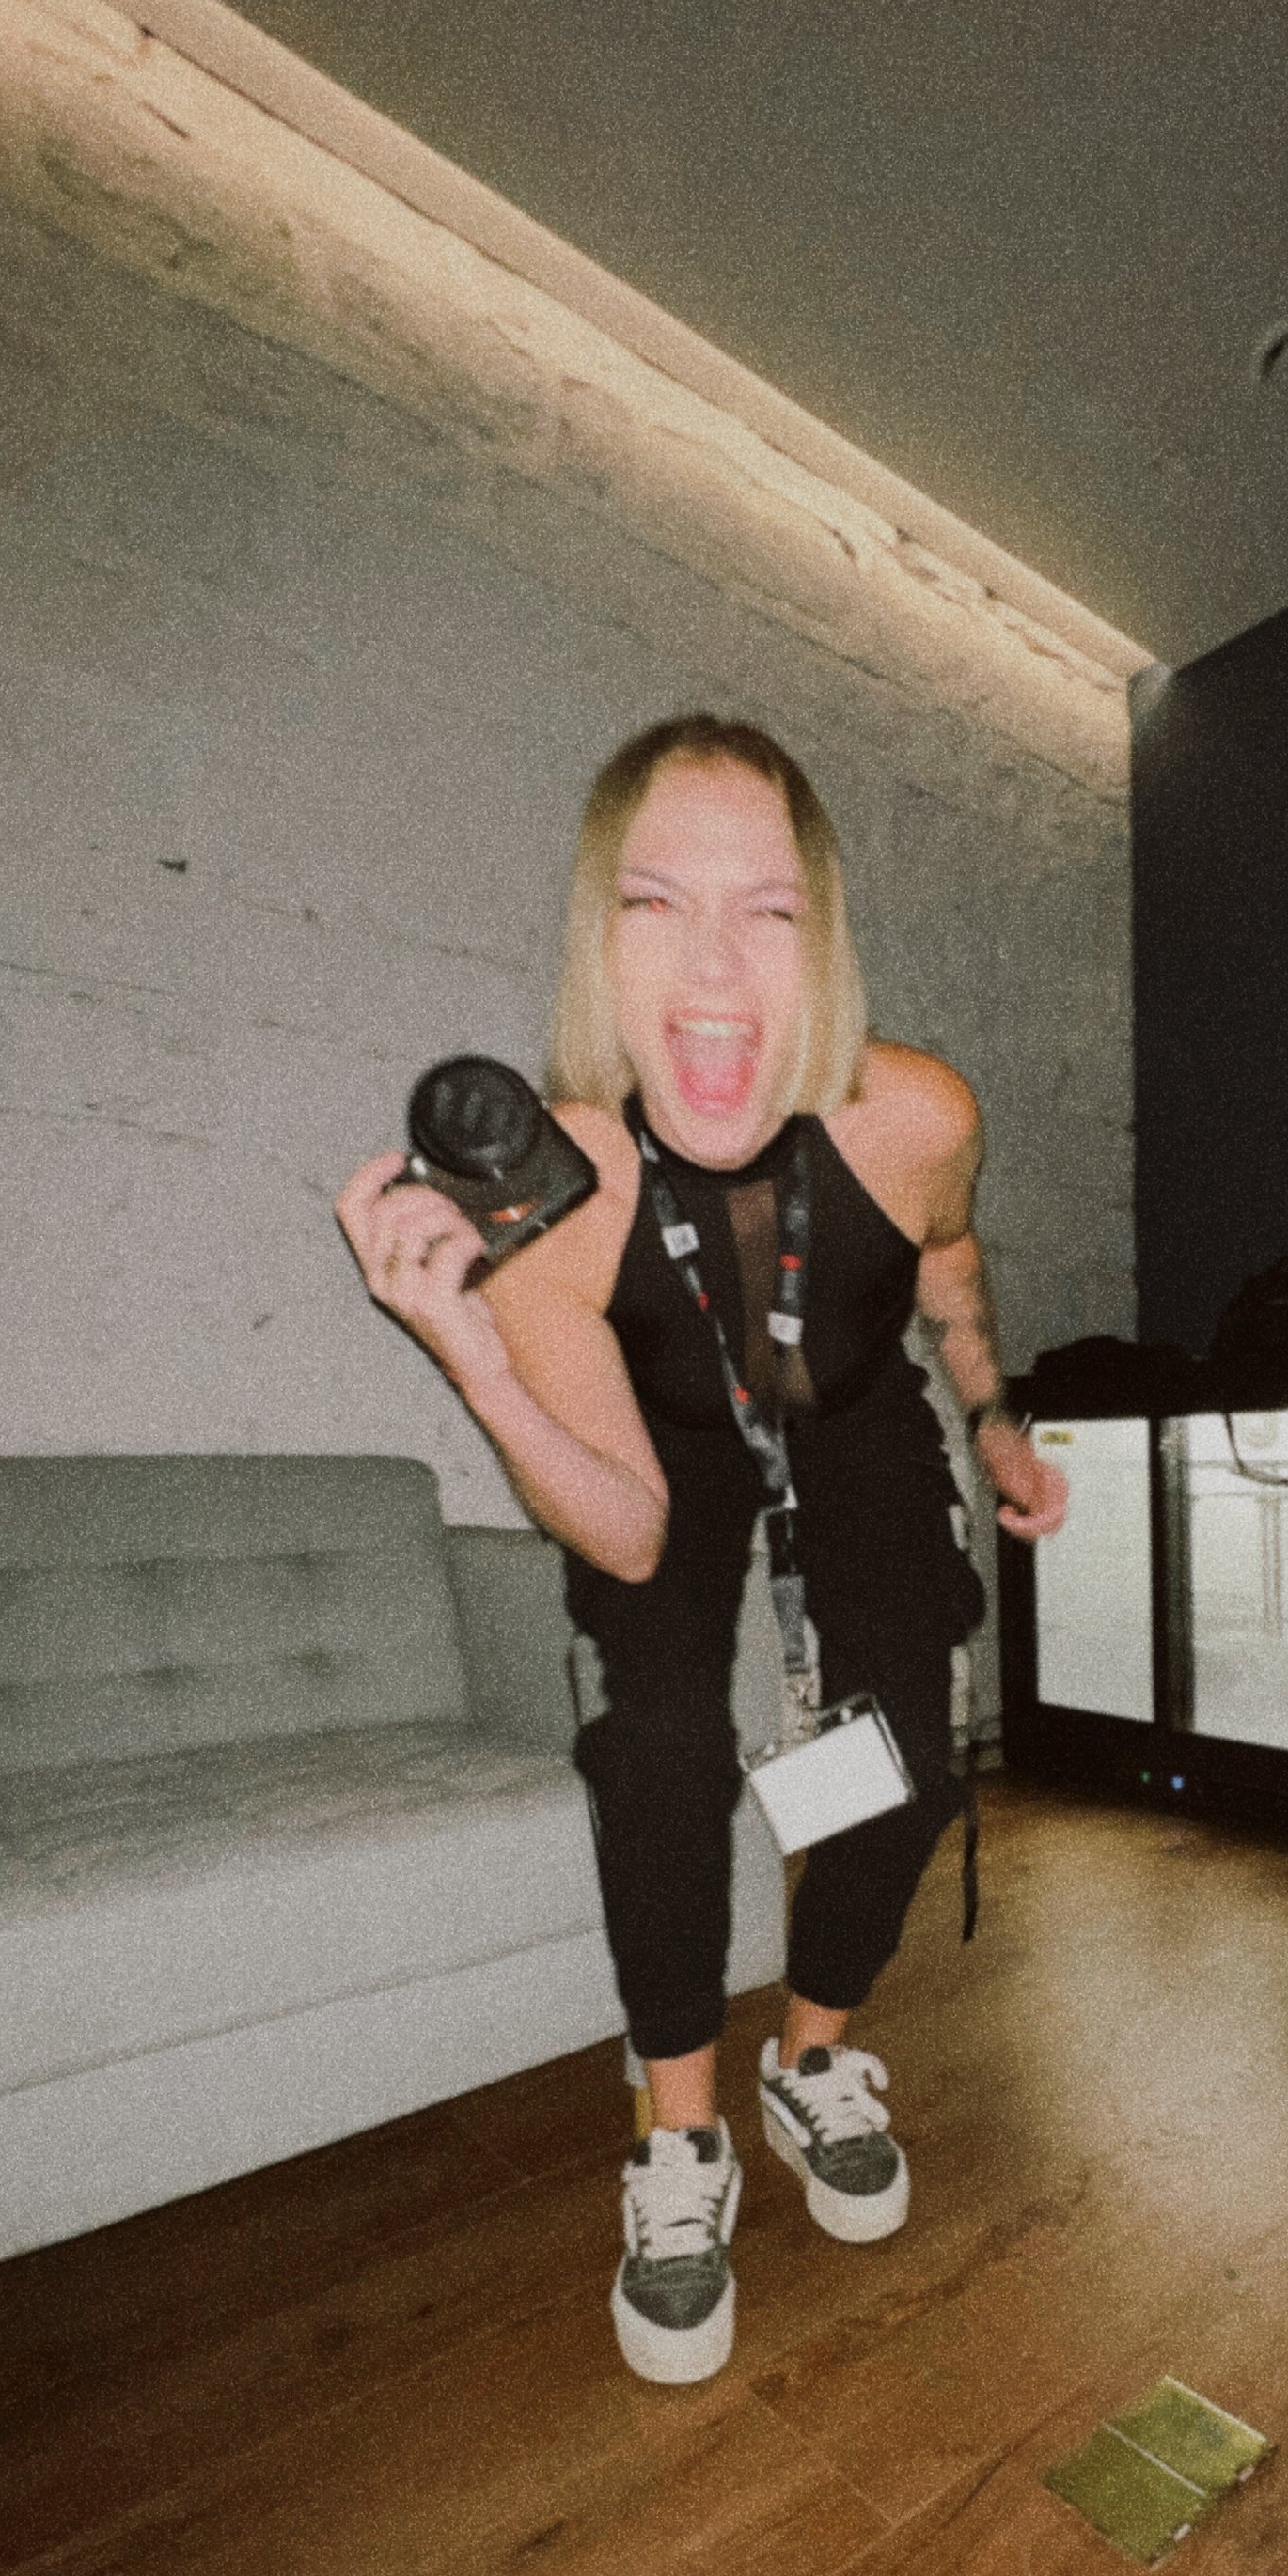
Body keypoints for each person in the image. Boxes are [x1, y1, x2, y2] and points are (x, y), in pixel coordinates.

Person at [336, 716, 1067, 2383]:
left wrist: (993, 1414)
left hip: (857, 1414)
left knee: (906, 1754)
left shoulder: (919, 1114)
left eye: (770, 910)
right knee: (661, 1752)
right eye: (657, 902)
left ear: (825, 943)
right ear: (601, 941)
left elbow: (949, 1268)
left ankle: (811, 2061)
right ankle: (678, 2134)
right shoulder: (559, 1188)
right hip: (661, 1443)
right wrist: (476, 1356)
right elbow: (631, 1525)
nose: (718, 964)